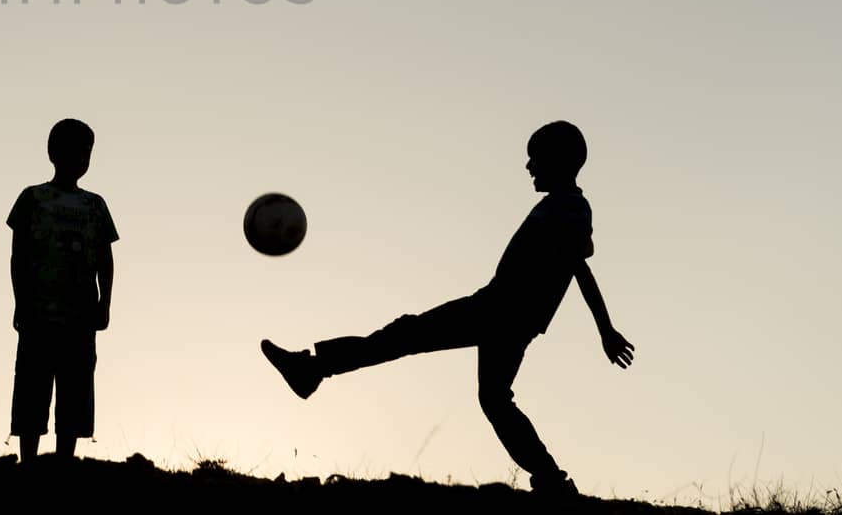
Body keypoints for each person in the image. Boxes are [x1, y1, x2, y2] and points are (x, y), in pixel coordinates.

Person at [260, 121, 634, 497]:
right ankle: (552, 480)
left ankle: (312, 369)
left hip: (499, 310)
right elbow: (577, 265)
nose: (528, 166)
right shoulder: (561, 207)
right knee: (493, 398)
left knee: (407, 334)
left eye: (535, 158)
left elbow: (577, 266)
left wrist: (605, 330)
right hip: (509, 314)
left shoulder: (569, 209)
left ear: (558, 160)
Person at [7, 118, 118, 463]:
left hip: (80, 318)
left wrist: (105, 304)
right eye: (75, 151)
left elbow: (106, 258)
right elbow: (18, 255)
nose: (82, 159)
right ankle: (28, 460)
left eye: (87, 153)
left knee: (75, 390)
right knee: (32, 387)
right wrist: (20, 302)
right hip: (38, 314)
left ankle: (64, 460)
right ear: (53, 154)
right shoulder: (32, 198)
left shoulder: (96, 206)